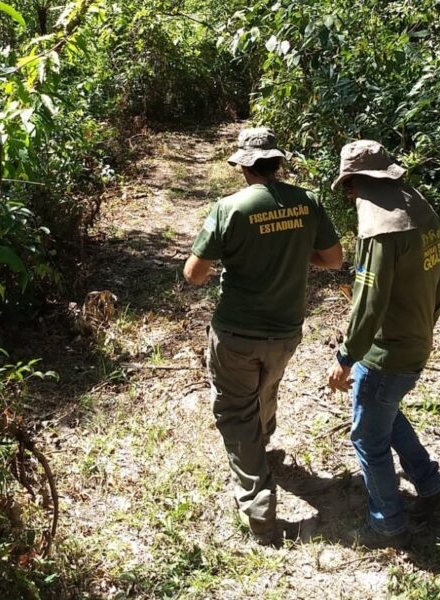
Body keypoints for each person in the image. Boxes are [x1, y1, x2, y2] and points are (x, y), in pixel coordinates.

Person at [184, 127, 343, 543]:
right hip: (286, 330)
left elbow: (194, 274)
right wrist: (291, 252)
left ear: (242, 166)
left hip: (237, 331)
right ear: (277, 163)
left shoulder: (229, 208)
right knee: (266, 388)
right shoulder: (306, 203)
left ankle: (260, 513)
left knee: (236, 412)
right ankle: (263, 445)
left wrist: (236, 258)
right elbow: (333, 259)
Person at [326, 140, 440, 548]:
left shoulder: (380, 229)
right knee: (387, 413)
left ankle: (388, 523)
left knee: (368, 437)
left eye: (348, 188)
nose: (349, 196)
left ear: (358, 182)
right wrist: (427, 325)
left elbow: (368, 304)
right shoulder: (421, 210)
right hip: (417, 340)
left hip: (386, 354)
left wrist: (345, 357)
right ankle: (430, 483)